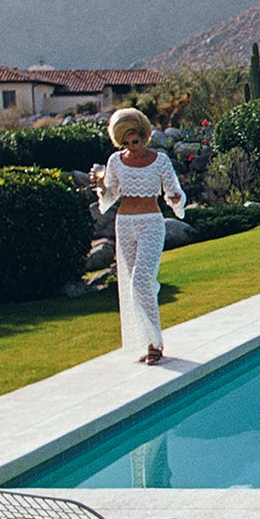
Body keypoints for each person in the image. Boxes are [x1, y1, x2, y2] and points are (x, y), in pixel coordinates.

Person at [91, 108, 186, 365]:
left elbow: (174, 192)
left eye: (135, 141)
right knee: (132, 284)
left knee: (142, 280)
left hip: (152, 224)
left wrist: (176, 199)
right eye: (125, 143)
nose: (131, 147)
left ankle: (155, 343)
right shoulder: (115, 161)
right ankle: (145, 342)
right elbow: (110, 195)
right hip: (124, 224)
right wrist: (101, 188)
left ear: (143, 136)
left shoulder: (161, 161)